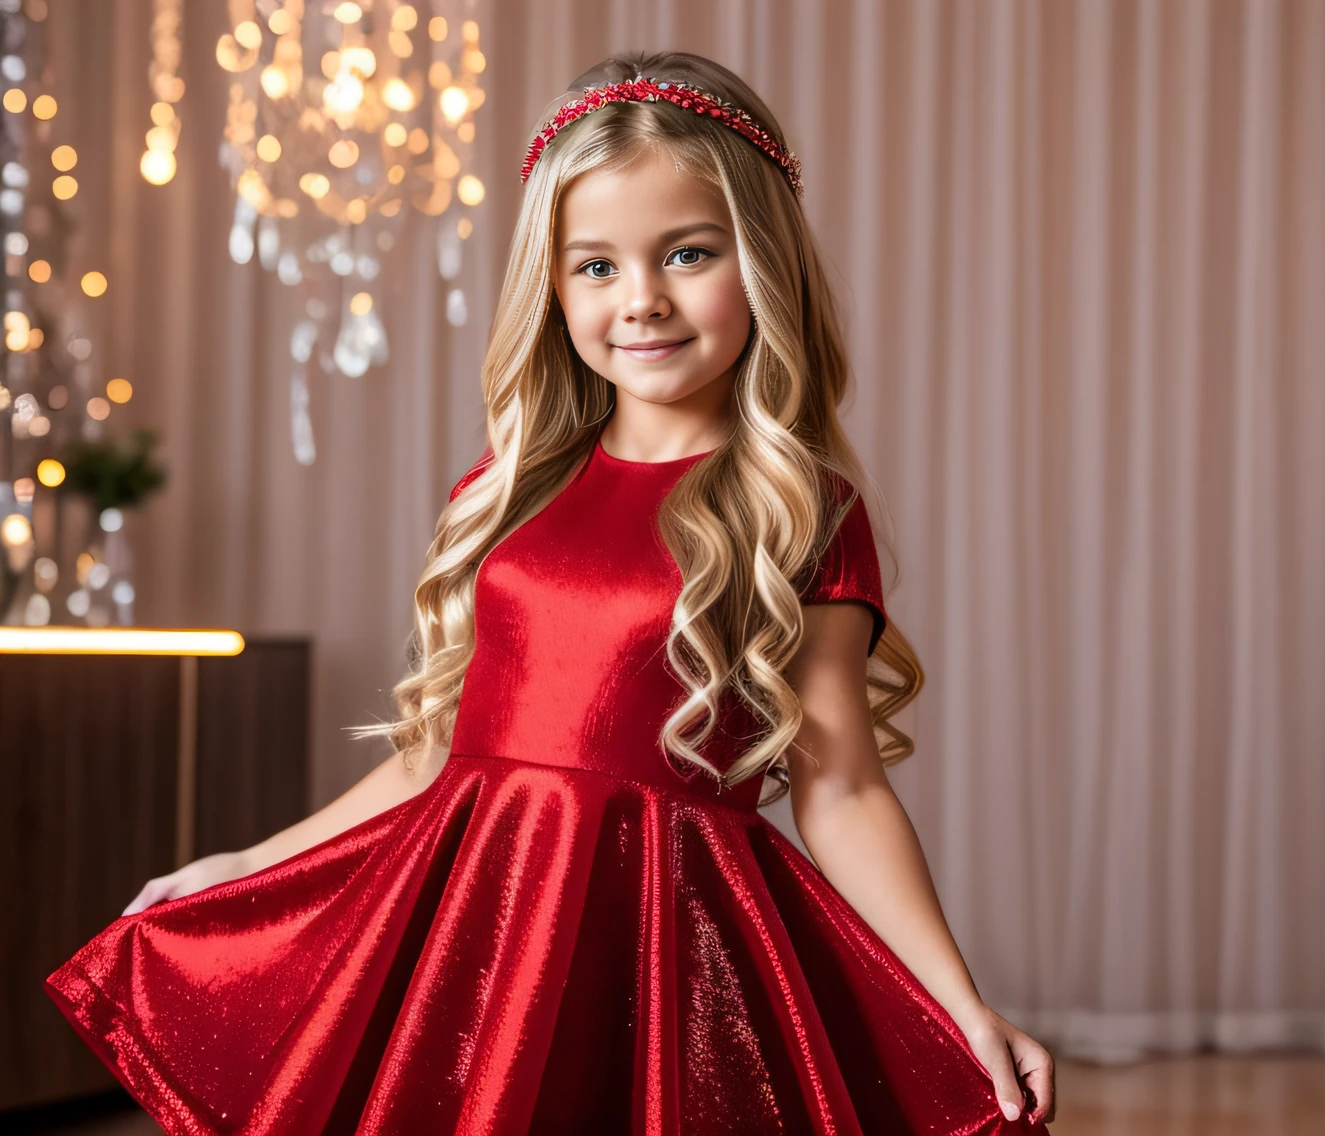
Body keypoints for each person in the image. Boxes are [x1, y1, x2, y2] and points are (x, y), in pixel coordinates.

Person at [46, 51, 1055, 1134]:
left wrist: (960, 1002)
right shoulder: (506, 487)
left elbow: (841, 789)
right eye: (596, 267)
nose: (643, 300)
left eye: (686, 252)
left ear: (761, 263)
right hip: (471, 929)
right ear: (553, 283)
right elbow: (440, 750)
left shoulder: (796, 508)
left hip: (664, 953)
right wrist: (254, 858)